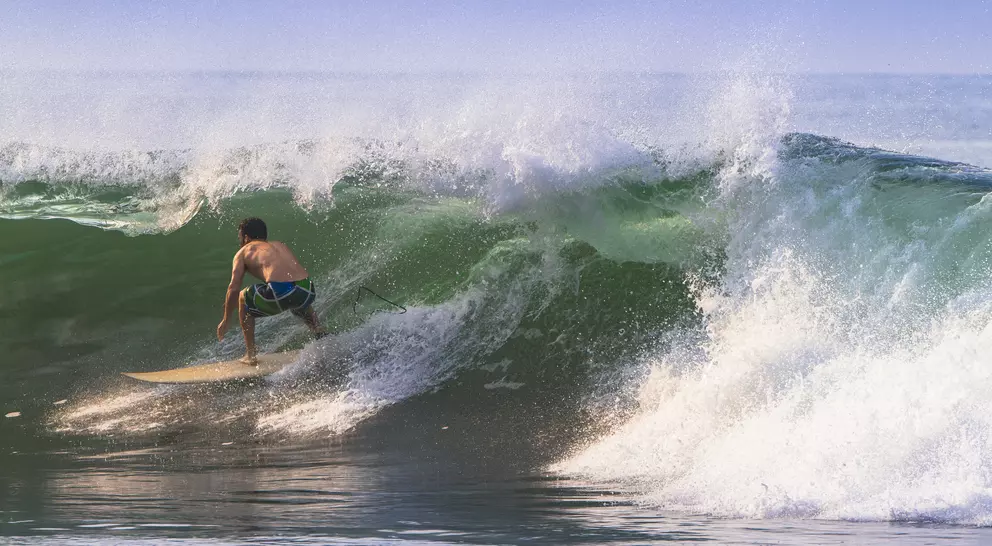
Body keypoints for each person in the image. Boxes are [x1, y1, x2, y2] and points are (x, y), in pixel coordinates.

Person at [216, 217, 324, 364]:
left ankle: (251, 355)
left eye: (240, 237)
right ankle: (319, 331)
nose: (240, 241)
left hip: (283, 291)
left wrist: (225, 319)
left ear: (246, 237)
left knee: (242, 296)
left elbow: (233, 288)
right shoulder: (279, 245)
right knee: (295, 296)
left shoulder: (243, 252)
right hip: (307, 289)